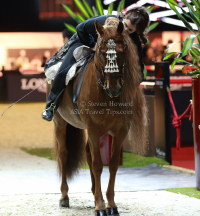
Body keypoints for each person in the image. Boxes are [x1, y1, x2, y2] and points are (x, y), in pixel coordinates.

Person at [42, 6, 150, 121]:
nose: (125, 30)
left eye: (130, 30)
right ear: (124, 17)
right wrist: (93, 45)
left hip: (105, 53)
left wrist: (137, 78)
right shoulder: (107, 19)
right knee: (64, 71)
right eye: (125, 24)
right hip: (85, 43)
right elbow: (80, 28)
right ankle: (51, 107)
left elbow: (138, 63)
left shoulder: (134, 38)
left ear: (136, 31)